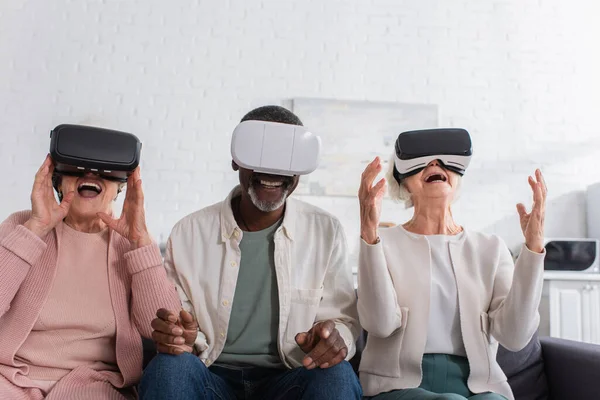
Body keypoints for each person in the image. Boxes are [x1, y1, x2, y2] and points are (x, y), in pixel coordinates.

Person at [139, 105, 362, 400]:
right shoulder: (189, 232)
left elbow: (344, 321)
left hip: (289, 376)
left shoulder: (325, 231)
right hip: (211, 376)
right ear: (236, 159)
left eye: (284, 159)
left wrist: (334, 337)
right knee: (168, 368)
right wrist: (187, 338)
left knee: (337, 374)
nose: (271, 171)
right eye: (259, 156)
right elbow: (182, 320)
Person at [356, 131, 547, 400]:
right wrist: (368, 232)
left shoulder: (491, 248)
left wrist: (533, 249)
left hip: (480, 384)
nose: (434, 164)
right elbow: (380, 324)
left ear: (458, 178)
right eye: (421, 162)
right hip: (398, 385)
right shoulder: (381, 242)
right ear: (403, 185)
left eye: (445, 161)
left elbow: (514, 337)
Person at [0, 155, 180, 399]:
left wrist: (140, 242)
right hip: (10, 379)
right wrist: (36, 228)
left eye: (105, 169)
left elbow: (162, 327)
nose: (91, 173)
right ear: (58, 180)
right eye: (77, 164)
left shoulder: (130, 244)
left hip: (96, 386)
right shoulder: (22, 225)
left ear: (120, 186)